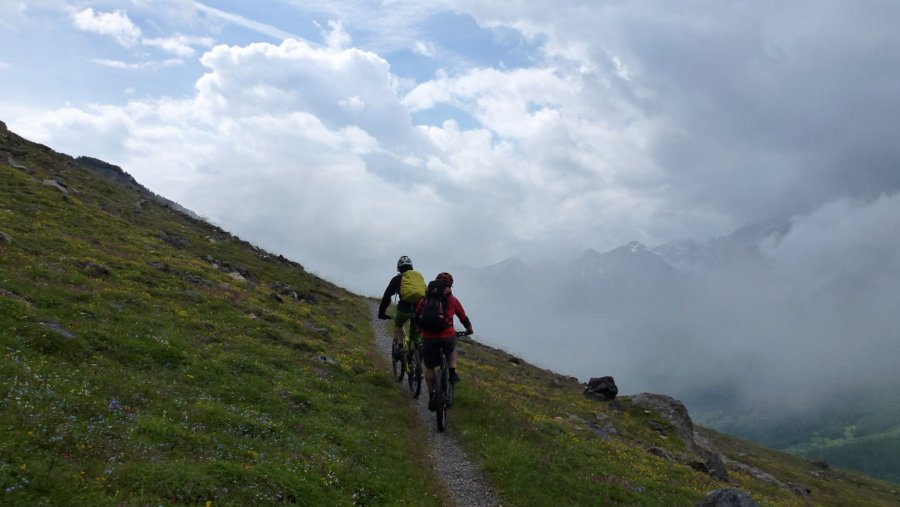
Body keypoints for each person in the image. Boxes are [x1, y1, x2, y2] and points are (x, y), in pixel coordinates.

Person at [416, 272, 473, 411]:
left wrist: (419, 330)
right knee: (452, 348)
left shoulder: (425, 299)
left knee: (429, 367)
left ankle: (432, 396)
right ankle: (452, 373)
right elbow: (463, 317)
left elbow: (417, 316)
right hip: (447, 336)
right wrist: (469, 330)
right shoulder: (453, 300)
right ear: (450, 286)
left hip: (428, 337)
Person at [378, 255, 423, 358]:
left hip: (404, 309)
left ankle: (401, 346)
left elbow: (386, 297)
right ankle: (417, 350)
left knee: (398, 325)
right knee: (416, 332)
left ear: (398, 268)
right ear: (411, 267)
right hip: (418, 309)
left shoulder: (397, 279)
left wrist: (381, 313)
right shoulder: (418, 278)